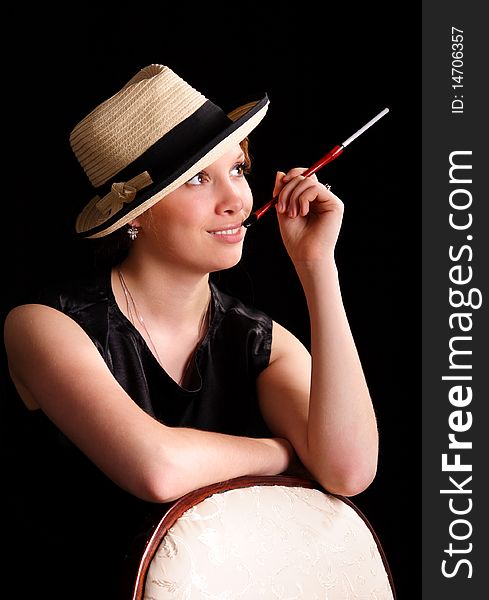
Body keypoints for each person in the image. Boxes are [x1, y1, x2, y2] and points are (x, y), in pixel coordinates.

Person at [3, 64, 378, 598]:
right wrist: (287, 453)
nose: (237, 200)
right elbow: (156, 468)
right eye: (199, 178)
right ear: (135, 213)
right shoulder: (44, 325)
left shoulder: (255, 339)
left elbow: (348, 471)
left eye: (239, 170)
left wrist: (318, 268)